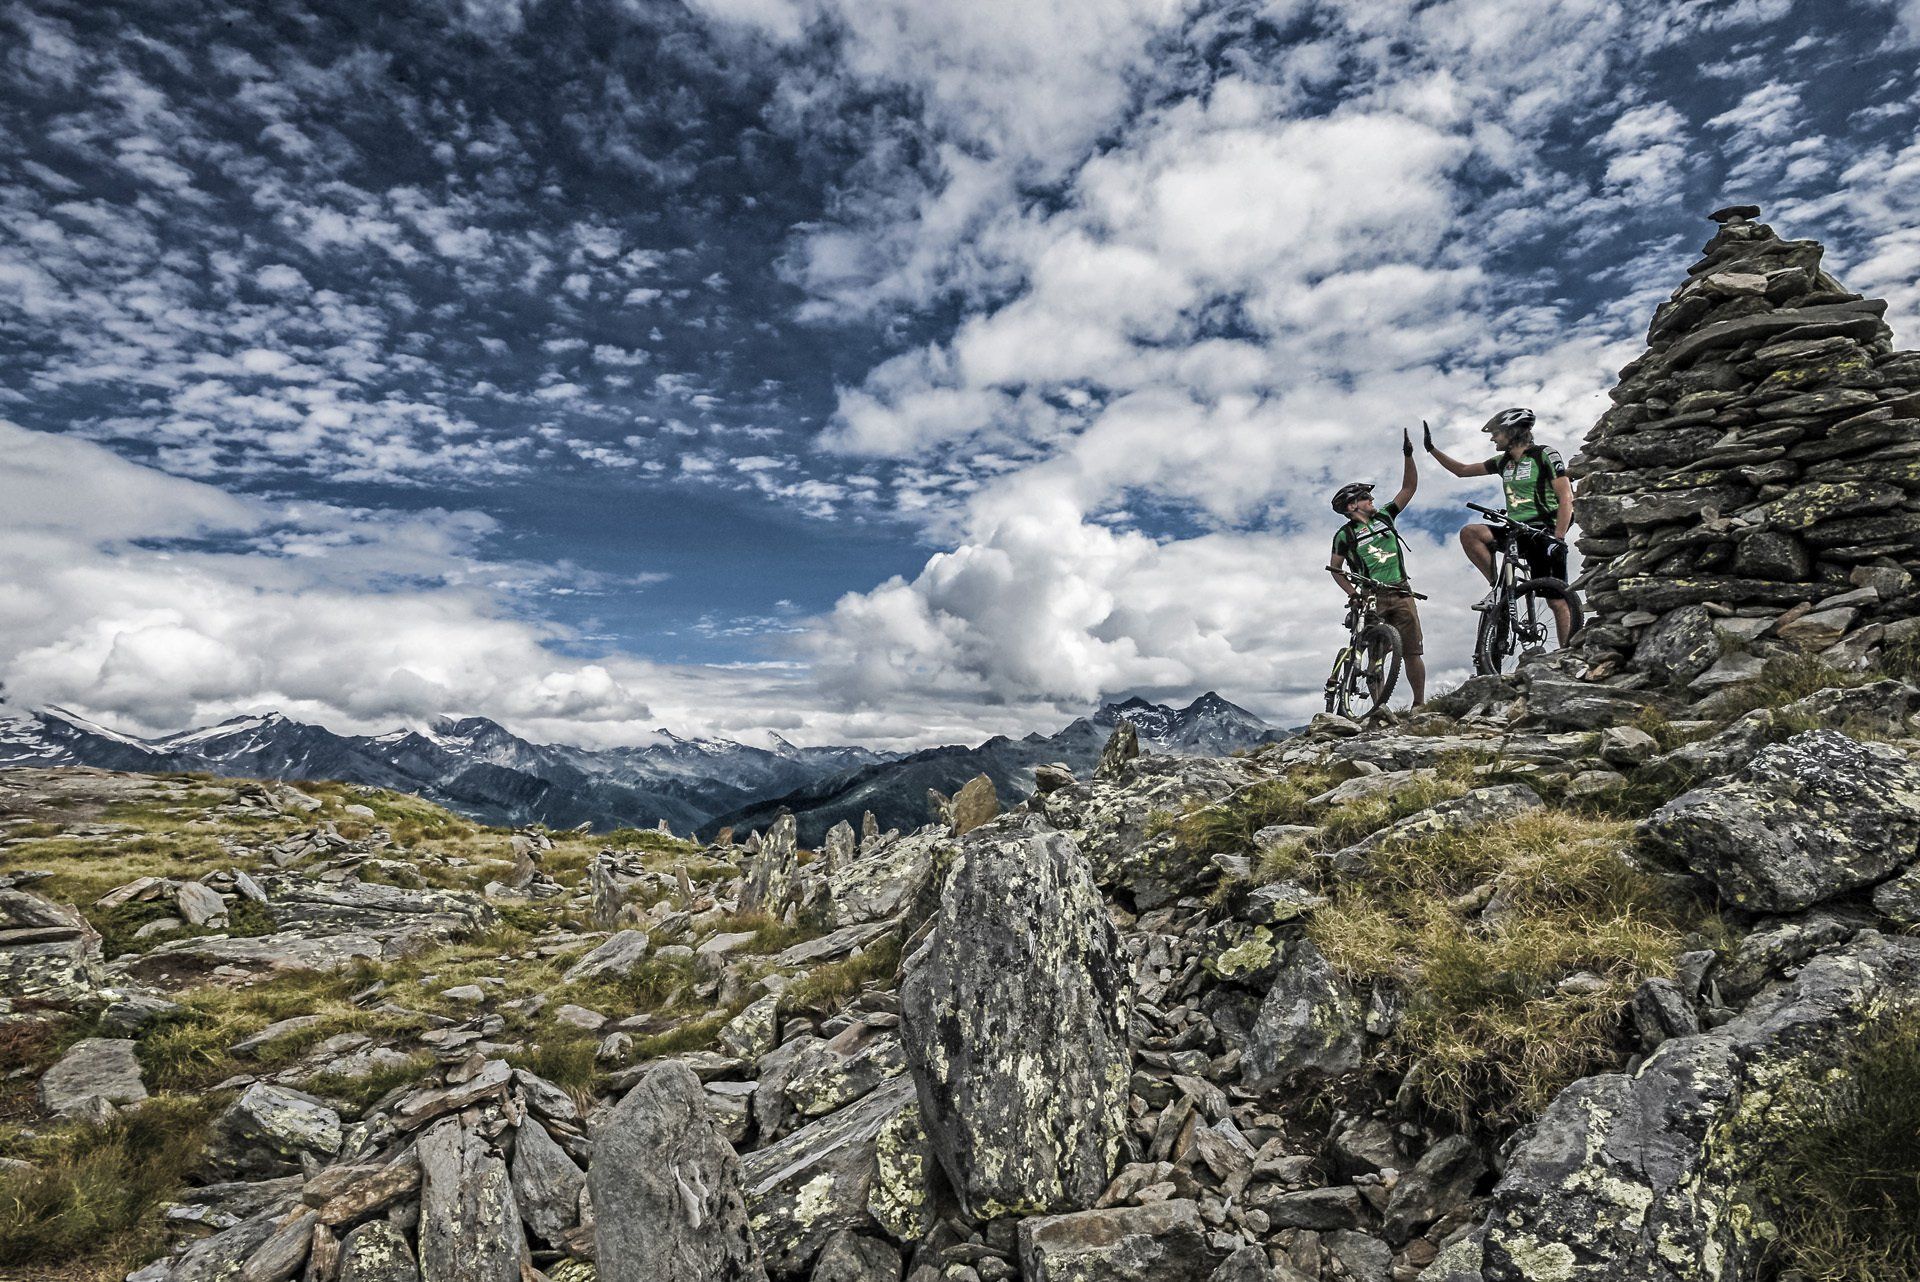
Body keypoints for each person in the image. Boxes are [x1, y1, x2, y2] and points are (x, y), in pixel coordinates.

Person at [1423, 407, 1577, 645]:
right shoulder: (1502, 462)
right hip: (1516, 529)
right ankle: (1498, 588)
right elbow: (1462, 471)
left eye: (1496, 432)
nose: (1492, 437)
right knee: (1471, 533)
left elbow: (1566, 498)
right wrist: (1432, 450)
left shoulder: (1544, 454)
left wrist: (1559, 537)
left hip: (1543, 530)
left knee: (1556, 600)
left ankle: (1568, 651)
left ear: (1512, 431)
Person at [1326, 428, 1424, 706]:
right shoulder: (1344, 535)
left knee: (1413, 651)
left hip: (1402, 591)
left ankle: (1419, 705)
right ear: (1352, 505)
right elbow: (1335, 568)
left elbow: (1409, 489)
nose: (1372, 501)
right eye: (1366, 498)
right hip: (1370, 597)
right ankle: (1379, 710)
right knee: (1376, 658)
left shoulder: (1385, 517)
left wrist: (1408, 455)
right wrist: (1351, 593)